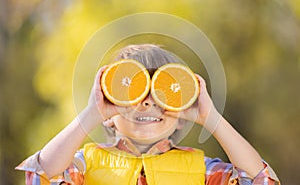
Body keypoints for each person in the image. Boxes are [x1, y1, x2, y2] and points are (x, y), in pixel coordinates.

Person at [16, 44, 280, 184]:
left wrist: (209, 117)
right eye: (133, 92)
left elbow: (257, 180)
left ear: (179, 117)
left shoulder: (201, 170)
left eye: (163, 93)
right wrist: (92, 113)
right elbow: (43, 176)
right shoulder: (86, 163)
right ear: (109, 110)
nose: (147, 103)